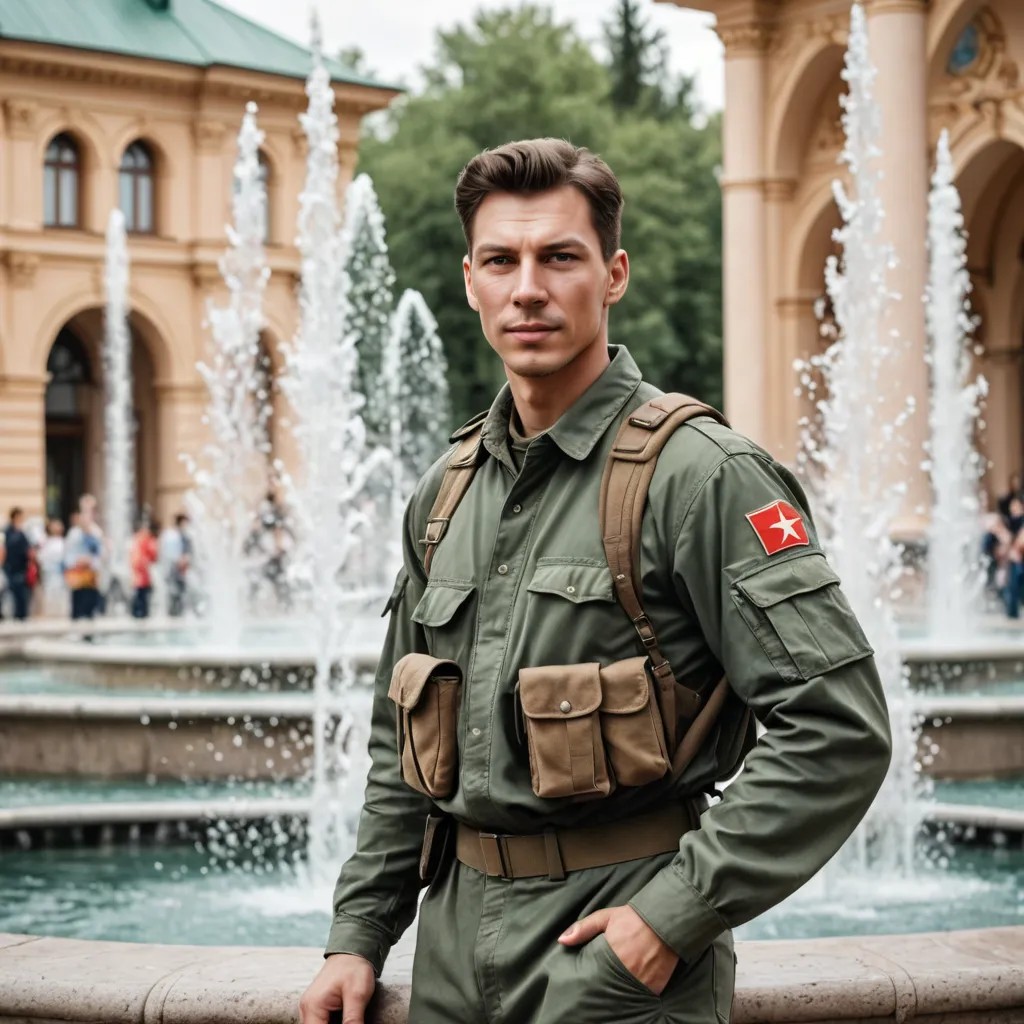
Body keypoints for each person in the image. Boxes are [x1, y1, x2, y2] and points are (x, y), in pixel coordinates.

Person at [299, 139, 891, 1024]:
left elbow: (837, 729)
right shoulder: (446, 492)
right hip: (452, 956)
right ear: (470, 282)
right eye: (501, 261)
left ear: (613, 275)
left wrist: (671, 917)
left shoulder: (703, 475)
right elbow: (403, 748)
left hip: (614, 957)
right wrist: (358, 935)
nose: (527, 289)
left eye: (560, 258)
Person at [64, 496, 103, 622]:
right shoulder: (74, 533)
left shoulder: (96, 532)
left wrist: (91, 561)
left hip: (90, 575)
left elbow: (100, 553)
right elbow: (68, 553)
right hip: (77, 574)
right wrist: (77, 561)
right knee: (78, 604)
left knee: (90, 605)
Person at [1, 508, 31, 621]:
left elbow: (27, 548)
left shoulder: (21, 532)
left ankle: (21, 615)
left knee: (21, 593)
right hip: (9, 567)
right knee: (8, 592)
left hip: (21, 567)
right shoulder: (7, 532)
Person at [37, 518, 67, 618]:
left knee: (61, 597)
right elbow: (41, 557)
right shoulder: (45, 541)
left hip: (60, 574)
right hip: (49, 573)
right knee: (50, 596)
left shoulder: (63, 541)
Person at [130, 519, 159, 619]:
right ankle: (139, 612)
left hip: (143, 574)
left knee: (142, 594)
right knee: (141, 595)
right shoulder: (139, 540)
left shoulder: (142, 540)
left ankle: (141, 612)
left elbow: (153, 556)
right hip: (140, 573)